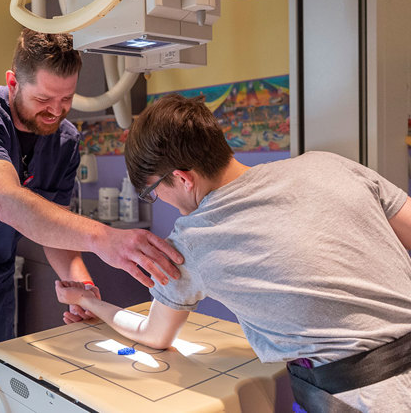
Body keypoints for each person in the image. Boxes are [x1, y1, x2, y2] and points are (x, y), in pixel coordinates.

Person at [0, 29, 183, 413]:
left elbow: (53, 226)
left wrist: (80, 284)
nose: (56, 111)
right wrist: (103, 238)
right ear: (13, 83)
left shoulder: (64, 142)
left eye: (66, 99)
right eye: (43, 98)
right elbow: (8, 201)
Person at [55, 93, 411, 412]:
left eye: (152, 192)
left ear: (182, 179)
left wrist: (88, 303)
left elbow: (154, 335)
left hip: (362, 398)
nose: (158, 200)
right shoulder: (330, 165)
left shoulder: (194, 239)